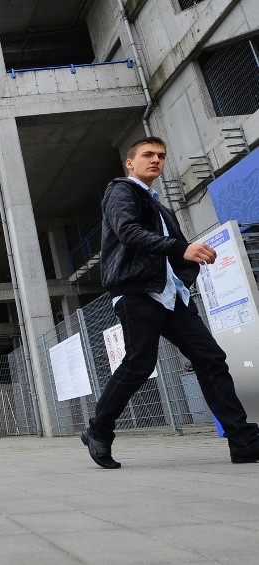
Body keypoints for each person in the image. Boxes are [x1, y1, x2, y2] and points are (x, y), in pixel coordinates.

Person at [82, 136, 259, 469]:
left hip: (171, 294)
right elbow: (128, 232)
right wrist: (182, 249)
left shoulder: (158, 205)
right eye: (148, 155)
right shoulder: (121, 191)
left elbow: (165, 248)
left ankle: (243, 441)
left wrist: (184, 267)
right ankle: (98, 429)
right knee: (139, 363)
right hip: (137, 291)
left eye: (161, 156)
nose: (156, 160)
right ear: (130, 163)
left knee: (210, 359)